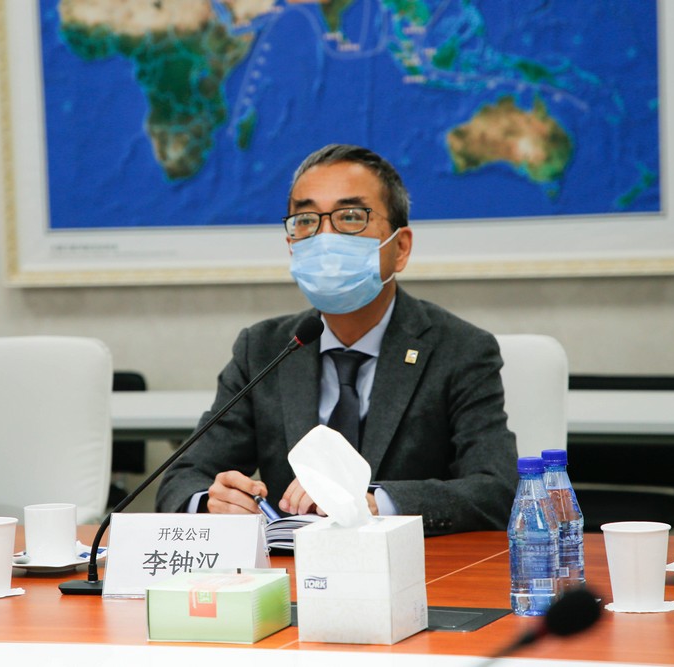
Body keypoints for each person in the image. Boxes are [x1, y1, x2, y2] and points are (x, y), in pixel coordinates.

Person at [156, 144, 518, 535]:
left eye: (350, 217)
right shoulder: (262, 348)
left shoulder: (459, 349)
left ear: (400, 248)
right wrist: (211, 503)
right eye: (306, 220)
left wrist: (374, 502)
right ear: (291, 244)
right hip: (291, 564)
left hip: (414, 565)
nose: (324, 238)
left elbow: (496, 489)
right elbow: (183, 478)